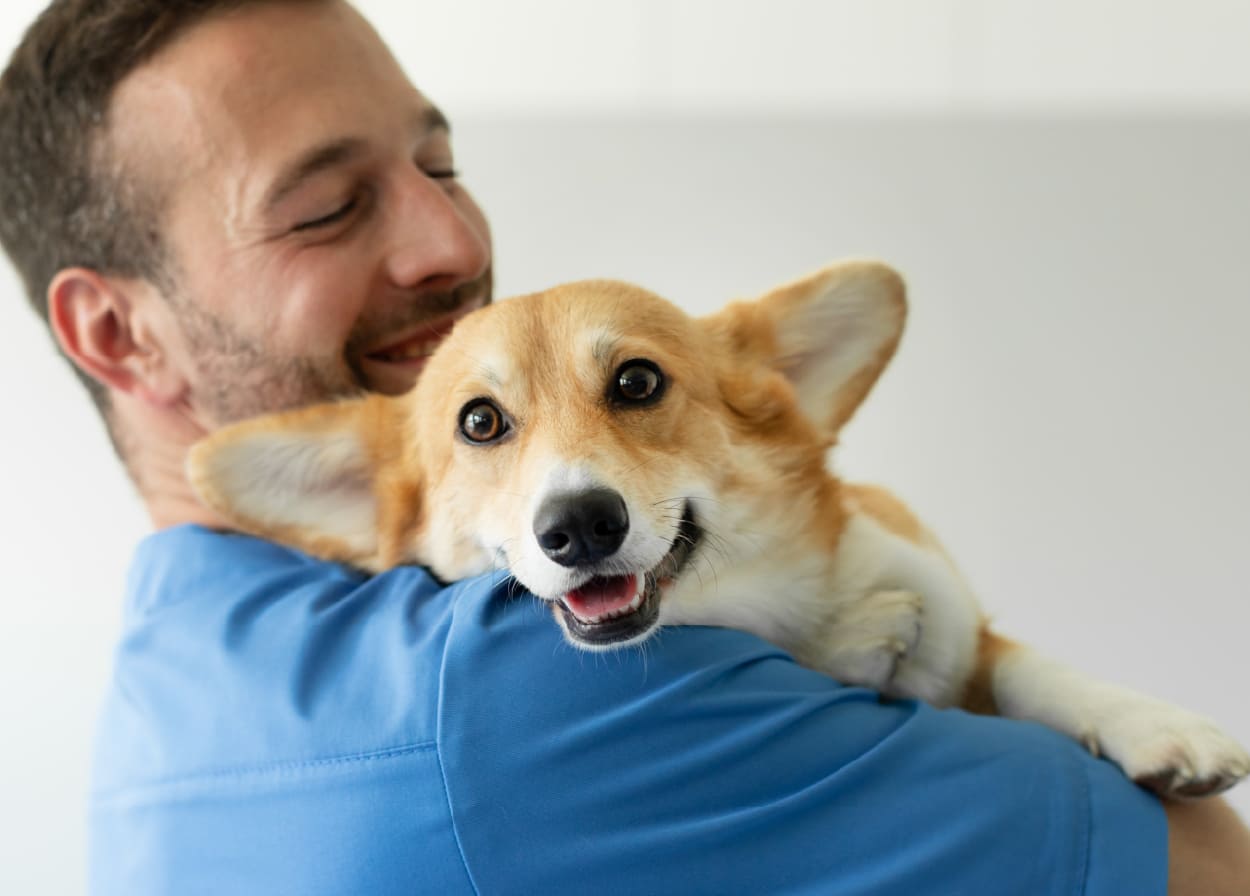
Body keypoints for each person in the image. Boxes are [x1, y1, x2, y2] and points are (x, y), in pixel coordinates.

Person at [2, 1, 1247, 893]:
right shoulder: (519, 682)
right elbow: (1204, 866)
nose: (450, 237)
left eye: (441, 162)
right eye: (324, 207)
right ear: (116, 329)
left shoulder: (164, 696)